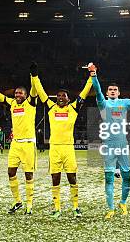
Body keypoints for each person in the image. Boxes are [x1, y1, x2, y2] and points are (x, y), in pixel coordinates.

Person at [31, 62, 92, 218]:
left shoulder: (73, 108)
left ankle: (76, 207)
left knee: (72, 177)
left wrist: (92, 76)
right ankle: (57, 209)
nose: (60, 98)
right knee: (55, 178)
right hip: (55, 149)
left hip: (68, 149)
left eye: (63, 96)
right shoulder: (51, 108)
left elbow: (84, 92)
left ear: (68, 98)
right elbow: (41, 92)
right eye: (58, 96)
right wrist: (35, 76)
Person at [88, 63, 130, 219]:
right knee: (109, 178)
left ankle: (123, 202)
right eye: (110, 90)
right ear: (107, 93)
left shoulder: (124, 102)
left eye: (115, 90)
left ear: (118, 92)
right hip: (108, 146)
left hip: (123, 145)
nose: (112, 91)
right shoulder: (103, 103)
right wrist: (94, 75)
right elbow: (97, 91)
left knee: (127, 176)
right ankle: (111, 208)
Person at [0, 74, 38, 214]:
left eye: (20, 92)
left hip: (28, 144)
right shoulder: (12, 104)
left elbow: (35, 90)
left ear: (26, 95)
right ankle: (17, 201)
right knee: (11, 172)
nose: (17, 94)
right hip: (15, 144)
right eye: (16, 92)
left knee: (28, 175)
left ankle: (29, 205)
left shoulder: (31, 103)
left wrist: (34, 76)